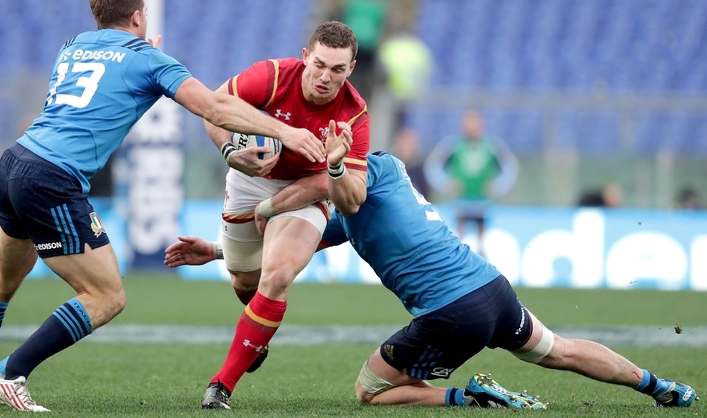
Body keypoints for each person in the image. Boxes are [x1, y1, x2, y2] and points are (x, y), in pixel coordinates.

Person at [0, 0, 324, 412]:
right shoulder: (148, 59)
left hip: (15, 161)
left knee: (2, 277)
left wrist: (147, 56)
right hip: (52, 178)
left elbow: (112, 76)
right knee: (106, 296)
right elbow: (214, 107)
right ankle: (10, 373)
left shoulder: (74, 45)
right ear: (137, 17)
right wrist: (286, 131)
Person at [166, 139, 699, 409]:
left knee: (370, 390)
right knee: (556, 349)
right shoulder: (370, 194)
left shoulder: (365, 171)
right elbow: (299, 244)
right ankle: (661, 387)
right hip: (490, 288)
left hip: (452, 311)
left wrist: (263, 206)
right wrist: (217, 251)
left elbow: (310, 194)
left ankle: (470, 399)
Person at [194, 21, 370, 409]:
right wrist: (229, 151)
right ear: (305, 57)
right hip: (250, 177)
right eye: (319, 65)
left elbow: (351, 197)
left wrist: (336, 168)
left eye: (338, 70)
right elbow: (210, 109)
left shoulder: (354, 114)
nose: (325, 78)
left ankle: (221, 386)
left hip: (307, 191)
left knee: (276, 276)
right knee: (245, 279)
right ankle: (254, 334)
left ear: (351, 69)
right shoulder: (271, 77)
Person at [423, 108, 518, 256]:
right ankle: (456, 263)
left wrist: (497, 186)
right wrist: (446, 183)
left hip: (483, 202)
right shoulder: (454, 145)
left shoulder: (492, 146)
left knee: (481, 239)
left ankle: (482, 262)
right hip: (460, 202)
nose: (472, 126)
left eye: (475, 122)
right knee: (458, 238)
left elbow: (510, 168)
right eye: (469, 122)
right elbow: (433, 165)